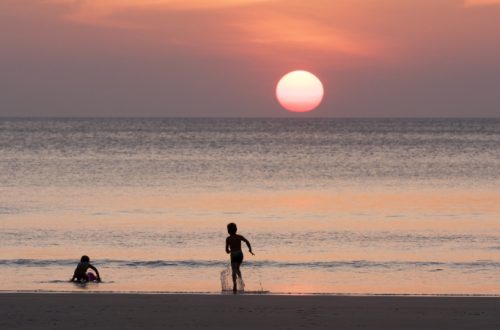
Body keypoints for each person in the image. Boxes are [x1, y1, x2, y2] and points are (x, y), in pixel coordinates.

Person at [225, 223, 254, 293]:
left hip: (234, 254)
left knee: (234, 270)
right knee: (237, 268)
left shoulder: (228, 238)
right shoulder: (239, 237)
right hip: (240, 254)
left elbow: (226, 249)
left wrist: (228, 251)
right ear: (236, 230)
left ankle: (235, 284)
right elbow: (247, 241)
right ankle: (241, 281)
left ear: (228, 231)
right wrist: (250, 249)